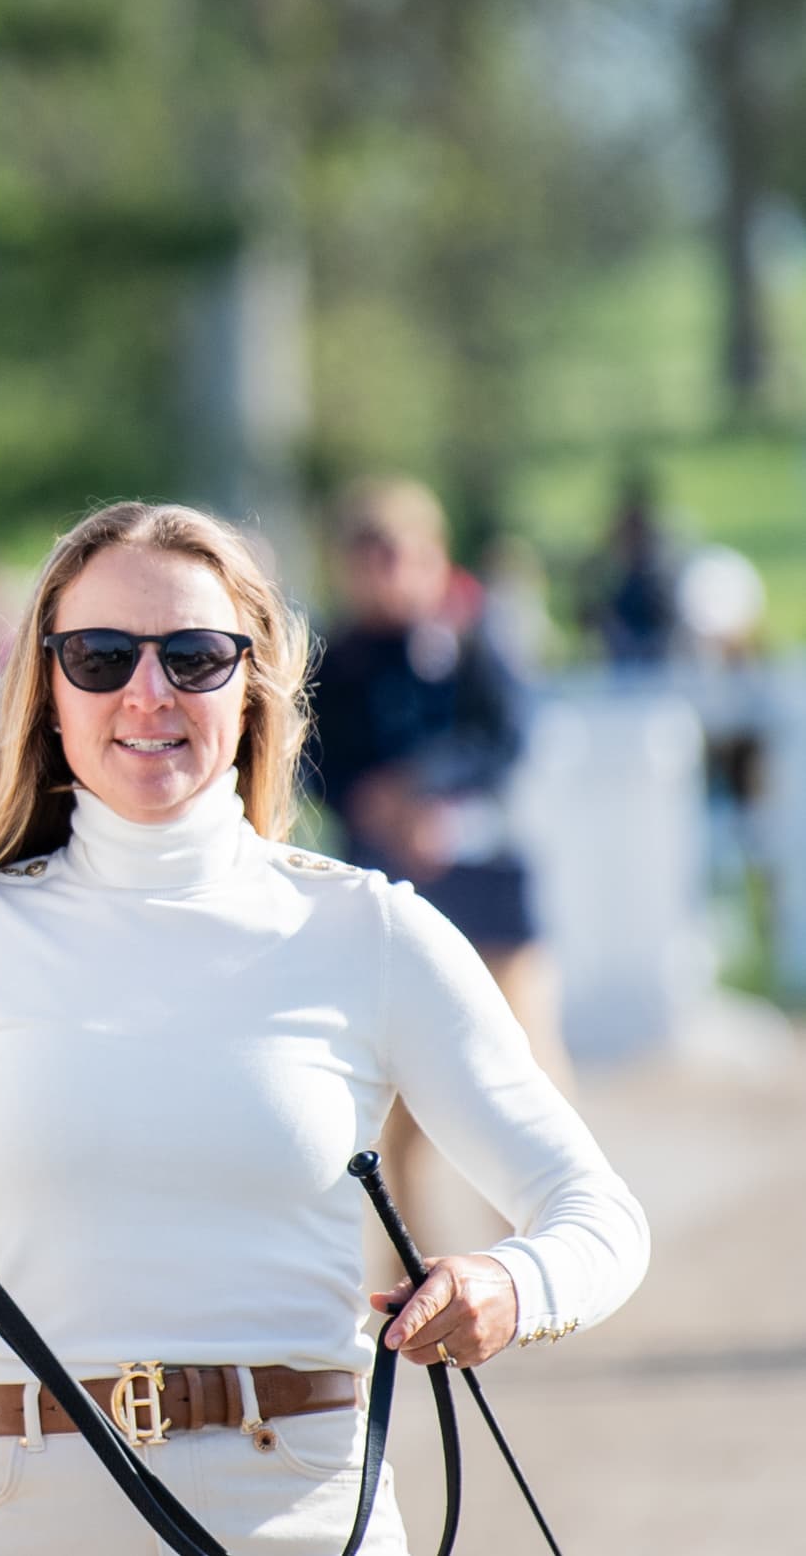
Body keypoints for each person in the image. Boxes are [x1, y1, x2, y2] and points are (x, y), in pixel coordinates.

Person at [0, 501, 647, 1554]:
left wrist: (512, 1282)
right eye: (99, 656)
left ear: (253, 684)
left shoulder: (369, 931)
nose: (147, 691)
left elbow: (597, 1215)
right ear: (47, 688)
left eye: (194, 656)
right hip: (31, 1516)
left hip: (309, 1516)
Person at [308, 479, 570, 1233]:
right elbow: (313, 761)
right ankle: (410, 1259)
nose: (388, 574)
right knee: (400, 1096)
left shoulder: (474, 638)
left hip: (488, 884)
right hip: (390, 897)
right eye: (371, 558)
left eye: (403, 555)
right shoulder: (335, 661)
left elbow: (510, 739)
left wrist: (427, 789)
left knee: (525, 1069)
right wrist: (374, 801)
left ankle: (538, 1239)